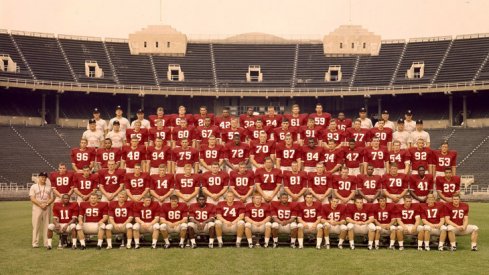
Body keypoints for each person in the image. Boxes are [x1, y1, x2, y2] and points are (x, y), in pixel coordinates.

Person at [30, 172, 54, 248]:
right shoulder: (34, 186)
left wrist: (46, 204)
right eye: (42, 177)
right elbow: (32, 198)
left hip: (46, 206)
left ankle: (46, 243)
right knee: (36, 225)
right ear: (39, 177)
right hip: (37, 206)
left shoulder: (49, 187)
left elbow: (51, 198)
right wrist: (40, 205)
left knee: (47, 225)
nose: (43, 179)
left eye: (45, 177)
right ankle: (35, 243)